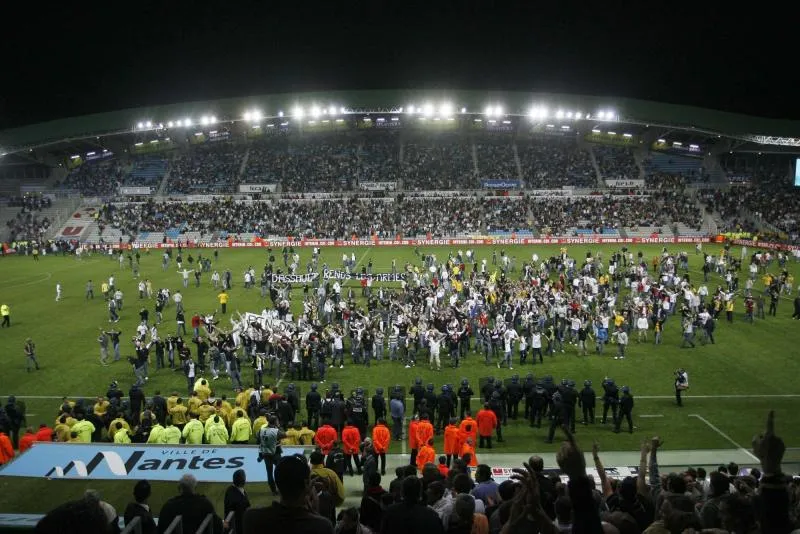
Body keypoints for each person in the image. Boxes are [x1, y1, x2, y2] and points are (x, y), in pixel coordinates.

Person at [243, 454, 335, 534]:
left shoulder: (252, 518)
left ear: (277, 482)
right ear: (307, 484)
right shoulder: (322, 526)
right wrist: (315, 511)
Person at [257, 416, 286, 496]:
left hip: (266, 454)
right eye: (277, 421)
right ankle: (281, 488)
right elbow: (284, 435)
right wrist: (279, 427)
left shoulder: (261, 430)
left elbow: (257, 437)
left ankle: (273, 491)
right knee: (280, 471)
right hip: (276, 453)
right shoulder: (276, 431)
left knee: (269, 473)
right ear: (275, 422)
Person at [224, 469, 251, 534]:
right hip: (238, 527)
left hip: (231, 524)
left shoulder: (229, 489)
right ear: (243, 481)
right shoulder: (240, 500)